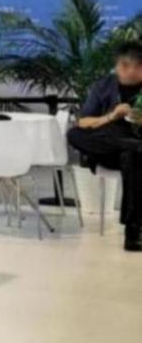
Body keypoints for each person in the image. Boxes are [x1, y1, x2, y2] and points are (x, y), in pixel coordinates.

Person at [67, 41, 142, 251]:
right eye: (125, 66)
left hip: (135, 149)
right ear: (116, 66)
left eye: (137, 66)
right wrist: (111, 116)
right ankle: (134, 146)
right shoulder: (104, 86)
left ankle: (133, 231)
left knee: (132, 157)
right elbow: (83, 122)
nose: (131, 71)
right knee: (74, 134)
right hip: (108, 145)